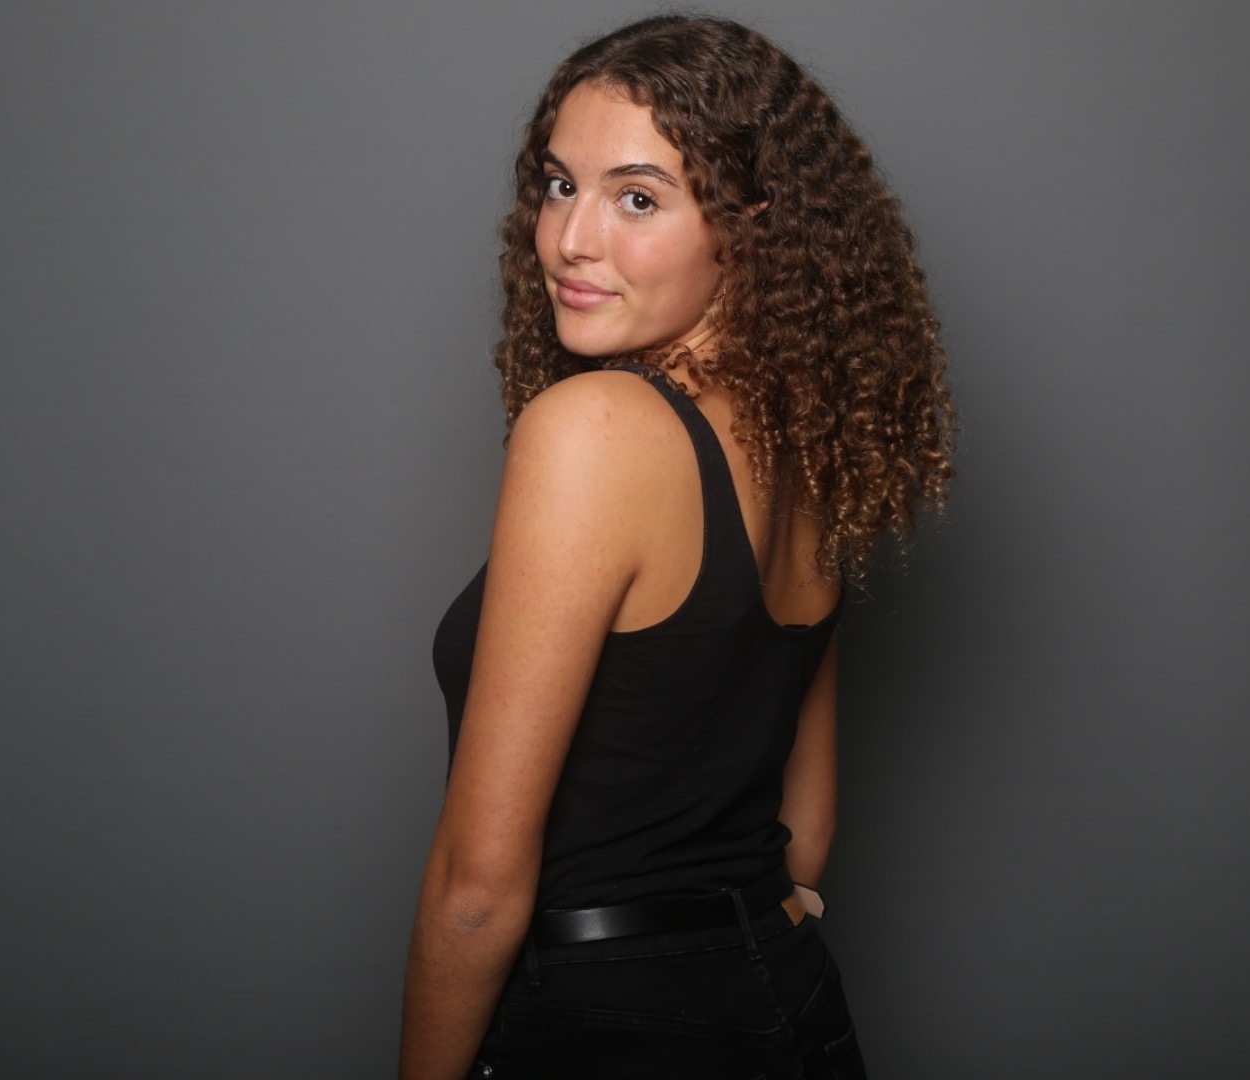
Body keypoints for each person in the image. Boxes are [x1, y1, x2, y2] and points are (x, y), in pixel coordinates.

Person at [399, 14, 953, 1078]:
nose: (571, 239)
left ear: (750, 231)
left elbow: (477, 891)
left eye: (638, 199)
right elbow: (807, 828)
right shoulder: (803, 445)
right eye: (560, 184)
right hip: (790, 1002)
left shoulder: (593, 429)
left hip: (606, 1025)